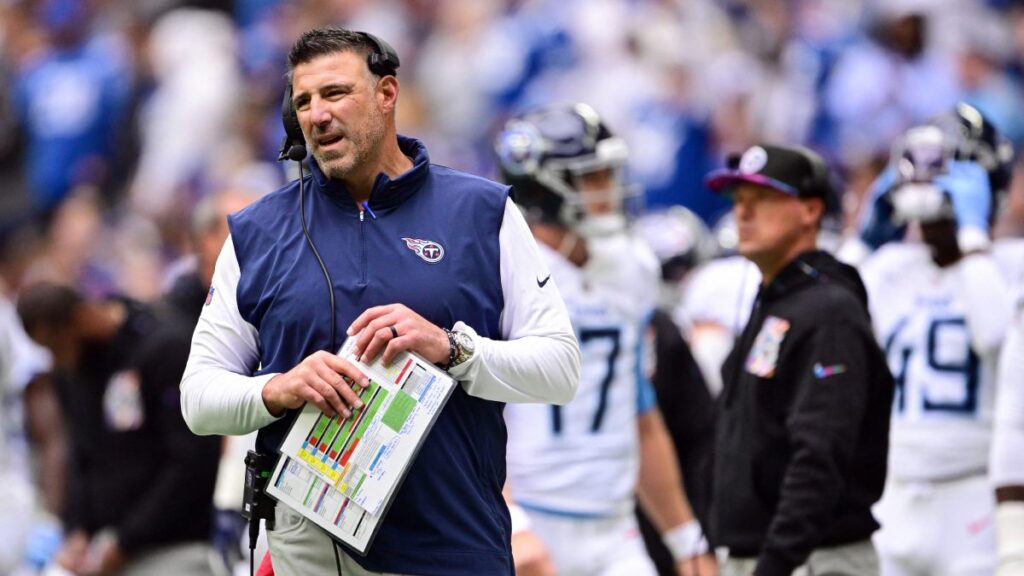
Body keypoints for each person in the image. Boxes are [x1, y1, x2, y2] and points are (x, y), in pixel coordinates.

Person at [179, 27, 581, 576]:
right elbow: (198, 398)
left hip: (454, 548)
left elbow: (560, 369)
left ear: (387, 94)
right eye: (303, 101)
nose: (317, 115)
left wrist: (454, 349)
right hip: (312, 558)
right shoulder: (256, 233)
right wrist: (277, 389)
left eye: (336, 93)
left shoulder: (481, 213)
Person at [495, 103, 715, 576]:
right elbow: (465, 420)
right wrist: (510, 521)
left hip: (615, 527)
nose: (607, 190)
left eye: (606, 175)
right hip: (531, 520)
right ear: (542, 189)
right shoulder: (499, 269)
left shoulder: (631, 268)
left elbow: (639, 410)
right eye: (591, 177)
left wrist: (684, 537)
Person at [704, 143, 894, 576]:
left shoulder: (829, 312)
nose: (743, 214)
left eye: (763, 199)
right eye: (738, 201)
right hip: (773, 558)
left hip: (811, 561)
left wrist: (774, 565)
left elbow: (819, 454)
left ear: (810, 210)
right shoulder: (775, 302)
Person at [857, 111, 1017, 576]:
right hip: (895, 495)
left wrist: (971, 235)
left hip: (972, 498)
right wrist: (864, 244)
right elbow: (824, 329)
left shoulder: (1009, 265)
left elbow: (994, 334)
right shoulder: (890, 268)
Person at [17, 281, 222, 575]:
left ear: (81, 318)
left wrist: (126, 541)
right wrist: (76, 528)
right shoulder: (70, 374)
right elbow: (82, 456)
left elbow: (192, 464)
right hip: (104, 547)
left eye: (56, 346)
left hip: (175, 544)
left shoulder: (163, 348)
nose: (56, 358)